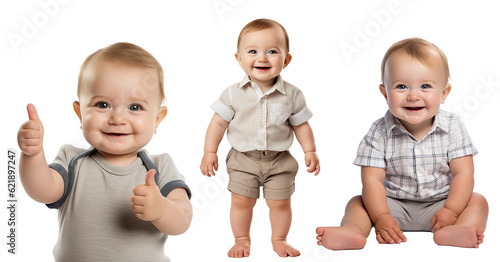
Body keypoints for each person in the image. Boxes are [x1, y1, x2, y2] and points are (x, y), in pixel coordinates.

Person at [17, 42, 192, 261]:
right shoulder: (72, 160)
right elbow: (42, 190)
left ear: (157, 120)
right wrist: (32, 154)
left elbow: (183, 220)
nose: (117, 119)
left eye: (134, 107)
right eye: (102, 105)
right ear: (80, 114)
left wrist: (162, 209)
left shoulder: (160, 167)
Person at [316, 37, 488, 250]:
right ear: (385, 93)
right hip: (392, 206)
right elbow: (372, 181)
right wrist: (381, 216)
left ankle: (459, 229)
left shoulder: (453, 126)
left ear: (444, 93)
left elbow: (464, 173)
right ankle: (353, 230)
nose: (413, 96)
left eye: (425, 86)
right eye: (401, 86)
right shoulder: (378, 131)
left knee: (477, 201)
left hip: (442, 205)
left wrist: (451, 210)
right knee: (357, 202)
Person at [200, 18, 320, 258]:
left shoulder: (293, 94)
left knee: (280, 203)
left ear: (286, 60)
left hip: (280, 160)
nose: (262, 58)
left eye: (272, 52)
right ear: (239, 59)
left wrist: (310, 150)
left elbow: (301, 125)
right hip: (243, 159)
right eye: (252, 51)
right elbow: (218, 123)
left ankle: (279, 239)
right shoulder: (233, 93)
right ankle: (241, 239)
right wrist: (209, 151)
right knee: (242, 202)